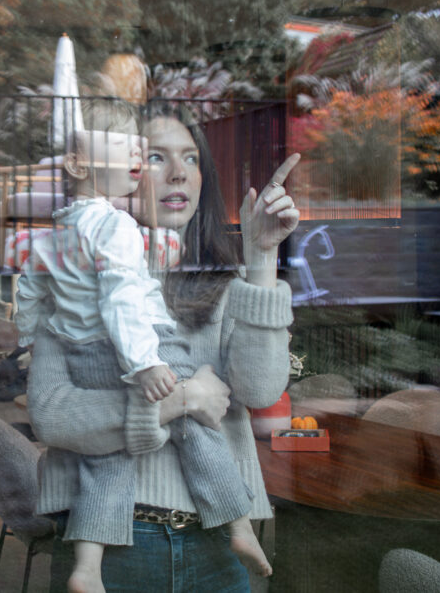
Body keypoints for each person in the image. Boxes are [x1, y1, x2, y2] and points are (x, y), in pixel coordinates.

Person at [28, 106, 300, 593]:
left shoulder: (226, 280)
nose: (179, 173)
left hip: (216, 544)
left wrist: (261, 257)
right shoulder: (73, 277)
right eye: (156, 156)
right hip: (114, 550)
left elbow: (260, 391)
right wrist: (183, 400)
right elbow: (51, 416)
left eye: (191, 158)